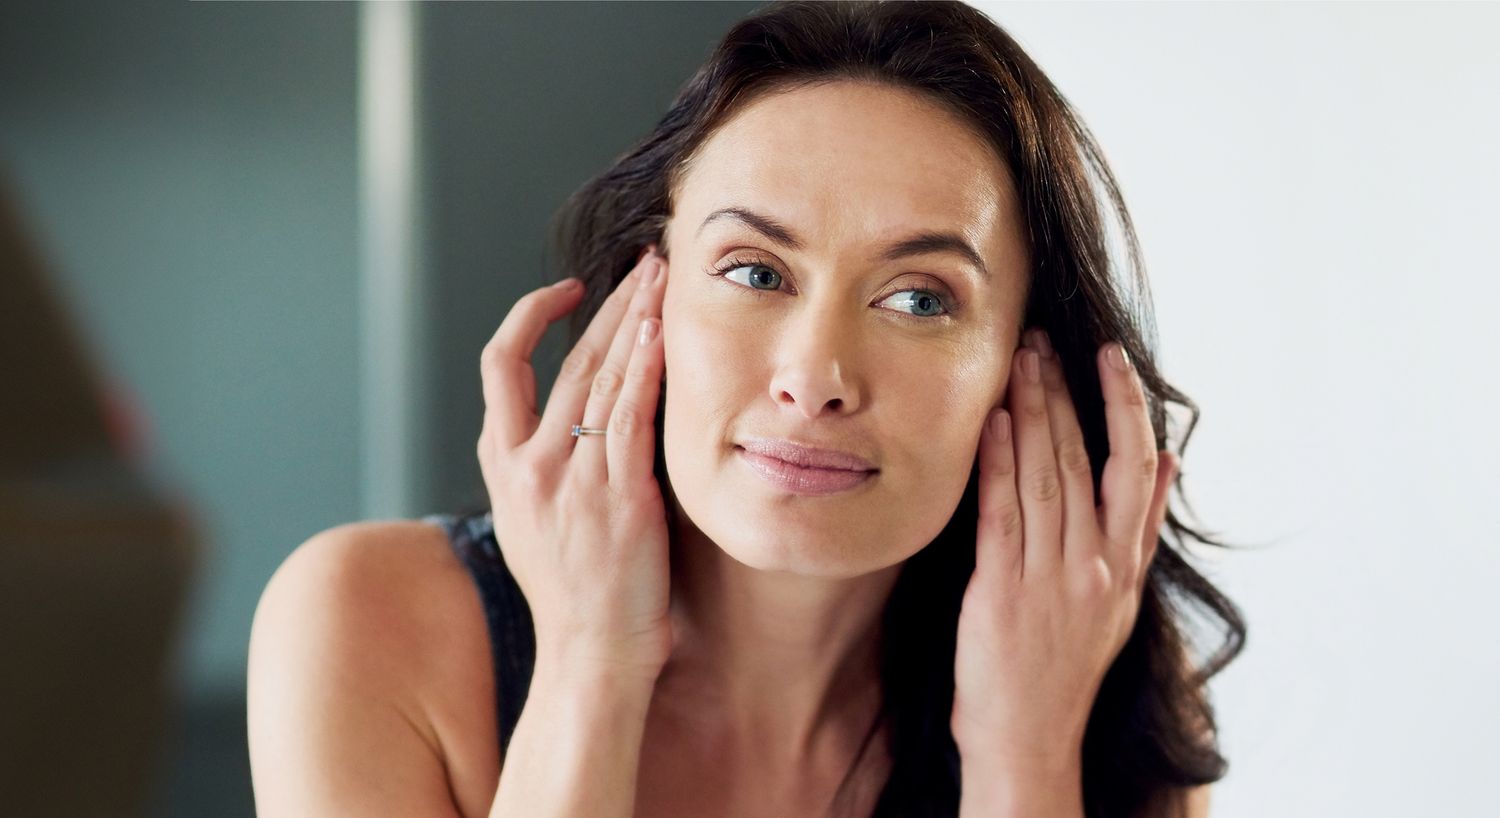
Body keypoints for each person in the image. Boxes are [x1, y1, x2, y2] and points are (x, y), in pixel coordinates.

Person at [247, 2, 1245, 816]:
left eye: (919, 298)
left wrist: (1023, 751)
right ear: (654, 297)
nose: (814, 377)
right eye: (756, 270)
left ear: (1026, 366)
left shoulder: (1106, 689)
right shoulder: (365, 622)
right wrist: (592, 660)